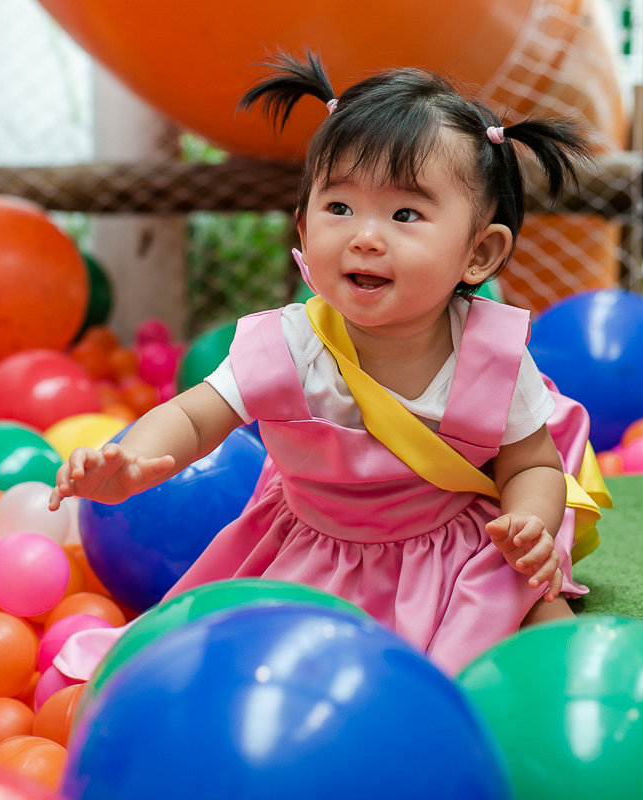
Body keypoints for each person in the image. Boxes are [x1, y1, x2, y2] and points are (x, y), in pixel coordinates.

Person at [50, 53, 610, 674]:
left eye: (405, 215)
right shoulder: (288, 346)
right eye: (339, 208)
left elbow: (531, 461)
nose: (364, 236)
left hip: (453, 553)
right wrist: (133, 460)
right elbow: (193, 416)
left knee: (539, 630)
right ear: (303, 227)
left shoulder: (491, 357)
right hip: (312, 553)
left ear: (479, 253)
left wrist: (531, 522)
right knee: (253, 666)